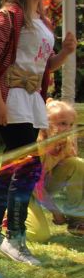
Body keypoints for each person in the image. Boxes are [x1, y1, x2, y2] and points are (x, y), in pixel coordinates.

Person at [0, 0, 77, 265]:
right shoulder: (9, 16)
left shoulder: (42, 21)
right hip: (10, 98)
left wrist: (66, 53)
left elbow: (45, 65)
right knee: (28, 166)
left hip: (31, 99)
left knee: (14, 165)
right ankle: (14, 237)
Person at [26, 99, 84, 242]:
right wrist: (55, 211)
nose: (68, 128)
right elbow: (35, 185)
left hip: (44, 187)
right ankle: (7, 216)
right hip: (23, 191)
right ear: (46, 123)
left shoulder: (64, 143)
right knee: (39, 236)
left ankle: (76, 220)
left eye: (71, 124)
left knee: (77, 164)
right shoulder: (37, 146)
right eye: (62, 123)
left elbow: (75, 174)